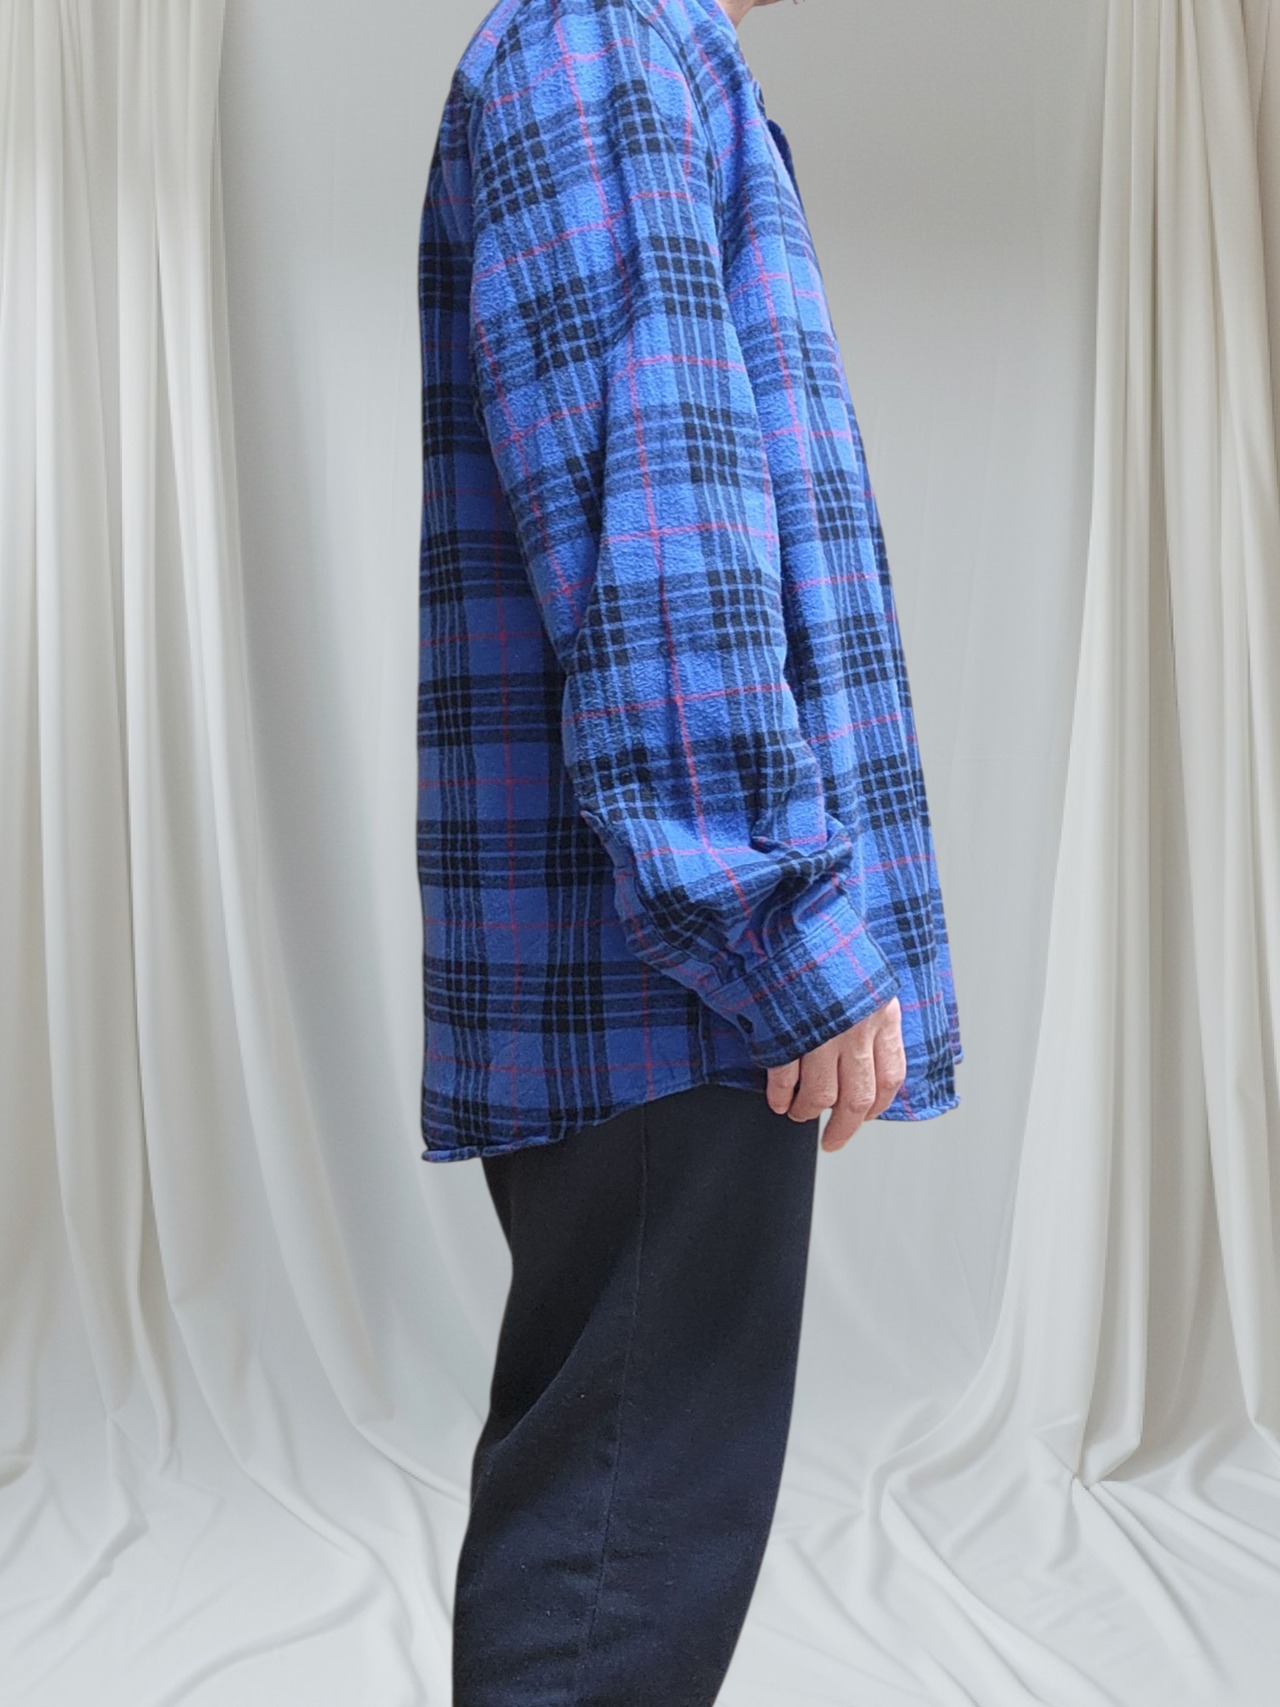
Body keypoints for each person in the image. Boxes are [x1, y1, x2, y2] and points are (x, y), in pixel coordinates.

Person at [416, 0, 963, 1699]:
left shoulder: (633, 55)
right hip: (670, 981)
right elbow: (657, 529)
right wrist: (779, 922)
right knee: (614, 1573)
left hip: (658, 970)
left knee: (625, 1532)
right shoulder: (600, 47)